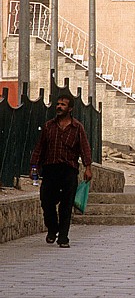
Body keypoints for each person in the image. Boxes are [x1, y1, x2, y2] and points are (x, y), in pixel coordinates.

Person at [30, 94, 93, 248]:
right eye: (58, 104)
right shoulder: (48, 126)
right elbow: (40, 147)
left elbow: (84, 148)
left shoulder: (77, 128)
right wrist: (34, 166)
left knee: (66, 205)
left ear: (70, 109)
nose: (59, 107)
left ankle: (63, 237)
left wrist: (88, 167)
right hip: (50, 169)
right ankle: (52, 229)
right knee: (46, 201)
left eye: (62, 105)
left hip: (69, 171)